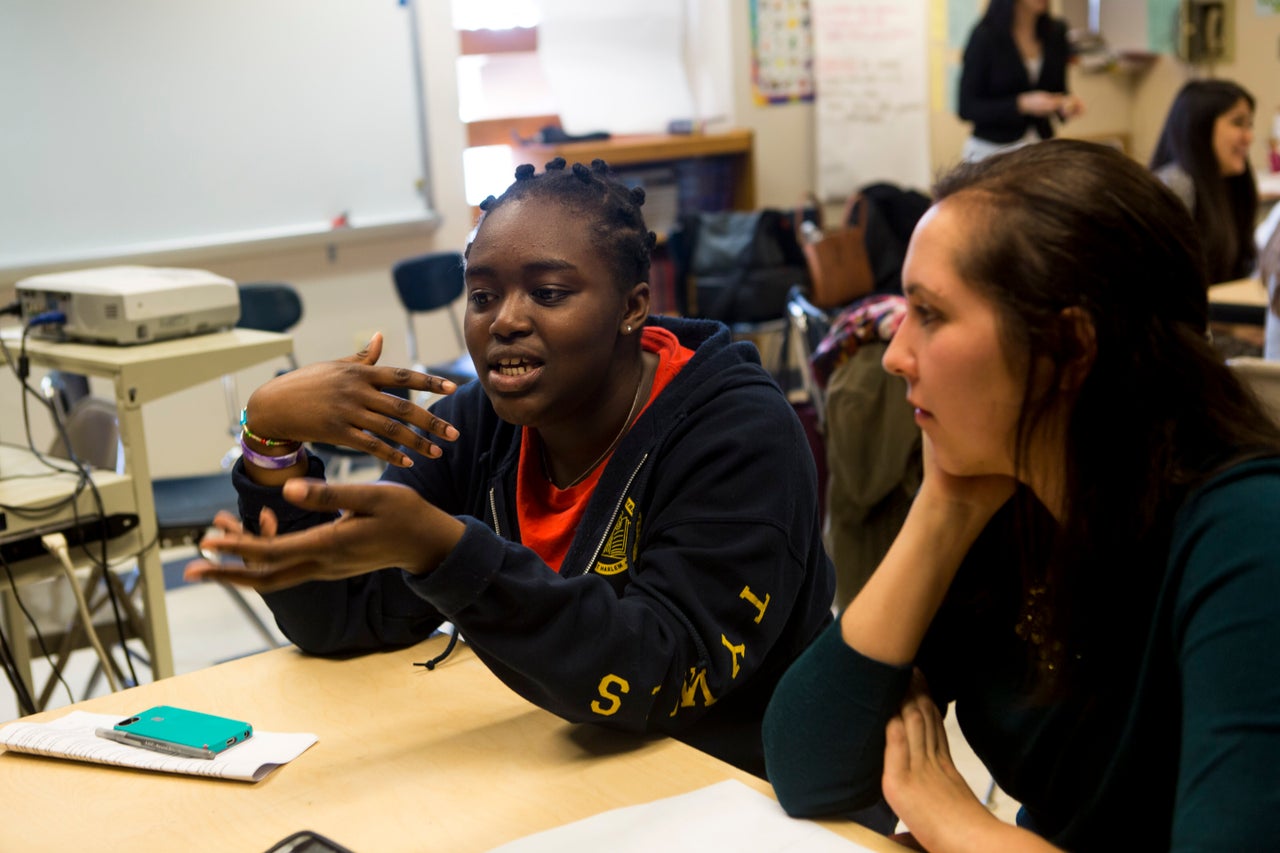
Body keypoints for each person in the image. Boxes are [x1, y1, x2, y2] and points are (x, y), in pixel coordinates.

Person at [184, 158, 836, 779]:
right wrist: (270, 437)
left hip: (751, 789)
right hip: (581, 772)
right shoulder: (479, 425)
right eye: (483, 295)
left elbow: (657, 675)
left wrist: (448, 553)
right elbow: (339, 620)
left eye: (548, 292)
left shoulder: (738, 432)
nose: (506, 320)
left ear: (633, 306)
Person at [761, 140, 1280, 849]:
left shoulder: (1248, 537)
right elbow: (808, 765)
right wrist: (945, 506)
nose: (894, 353)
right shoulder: (1008, 501)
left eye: (931, 313)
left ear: (1068, 348)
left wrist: (952, 819)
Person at [1151, 78, 1258, 283]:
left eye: (1249, 125)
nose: (1249, 137)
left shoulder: (1233, 183)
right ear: (1199, 126)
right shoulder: (1176, 184)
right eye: (1238, 123)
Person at [957, 0, 1083, 163]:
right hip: (991, 152)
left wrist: (1065, 104)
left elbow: (1059, 89)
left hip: (1040, 149)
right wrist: (1021, 104)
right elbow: (967, 107)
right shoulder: (985, 35)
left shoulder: (1056, 33)